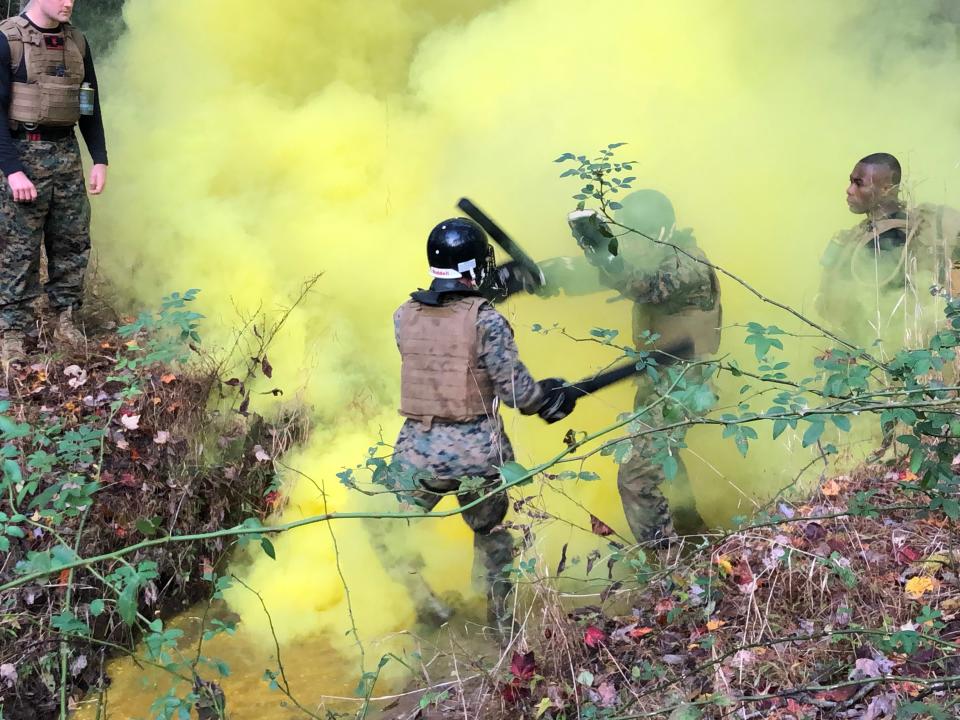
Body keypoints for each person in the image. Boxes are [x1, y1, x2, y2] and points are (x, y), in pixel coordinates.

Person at [369, 217, 579, 633]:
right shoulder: (487, 321)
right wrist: (551, 396)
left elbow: (441, 338)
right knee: (491, 533)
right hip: (479, 455)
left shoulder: (402, 316)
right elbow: (518, 393)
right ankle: (499, 623)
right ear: (476, 268)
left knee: (382, 526)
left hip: (417, 453)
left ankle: (427, 603)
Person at [511, 190, 722, 546]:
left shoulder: (687, 262)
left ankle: (667, 571)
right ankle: (694, 536)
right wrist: (540, 277)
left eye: (634, 235)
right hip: (663, 378)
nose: (627, 244)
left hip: (685, 384)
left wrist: (605, 257)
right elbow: (592, 274)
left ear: (660, 232)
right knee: (663, 460)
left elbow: (645, 287)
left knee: (636, 477)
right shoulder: (650, 253)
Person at [0, 0, 108, 365]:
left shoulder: (77, 42)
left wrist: (100, 159)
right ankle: (12, 330)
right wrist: (12, 169)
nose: (69, 3)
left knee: (72, 241)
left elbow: (89, 105)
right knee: (18, 248)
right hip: (22, 152)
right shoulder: (8, 40)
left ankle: (65, 318)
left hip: (66, 153)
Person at [816, 153, 960, 349]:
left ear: (886, 190)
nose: (849, 190)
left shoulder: (889, 241)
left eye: (859, 184)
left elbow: (870, 315)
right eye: (851, 182)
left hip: (882, 353)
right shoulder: (871, 233)